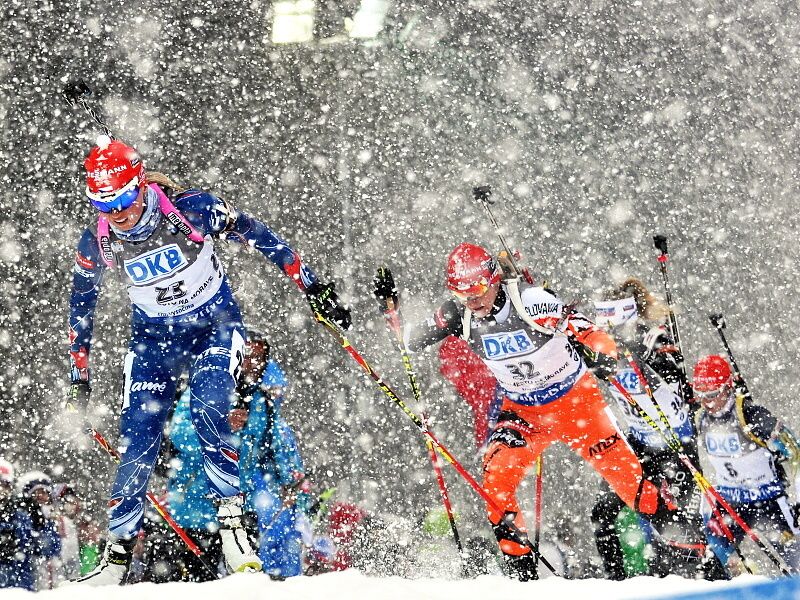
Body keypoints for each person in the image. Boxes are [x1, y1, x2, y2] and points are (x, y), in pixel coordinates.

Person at [65, 136, 350, 585]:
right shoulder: (98, 241)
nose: (116, 213)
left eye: (122, 199)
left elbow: (259, 235)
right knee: (138, 434)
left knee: (210, 406)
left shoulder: (193, 211)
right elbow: (81, 306)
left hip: (212, 329)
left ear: (140, 186)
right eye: (103, 204)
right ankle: (117, 551)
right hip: (154, 341)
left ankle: (235, 530)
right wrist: (78, 379)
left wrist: (313, 286)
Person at [374, 244, 678, 581]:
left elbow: (588, 330)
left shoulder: (529, 301)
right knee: (495, 484)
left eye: (476, 289)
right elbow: (411, 340)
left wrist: (604, 355)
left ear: (492, 279)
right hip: (524, 413)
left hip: (578, 406)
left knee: (635, 490)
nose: (471, 300)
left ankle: (691, 550)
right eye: (461, 293)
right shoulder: (457, 313)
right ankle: (523, 580)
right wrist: (392, 311)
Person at [591, 278, 725, 580]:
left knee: (680, 531)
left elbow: (670, 371)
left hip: (674, 447)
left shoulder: (653, 337)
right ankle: (616, 583)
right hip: (638, 446)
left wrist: (640, 354)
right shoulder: (603, 344)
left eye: (611, 320)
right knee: (603, 513)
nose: (606, 327)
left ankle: (716, 580)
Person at [692, 354, 800, 572]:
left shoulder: (750, 414)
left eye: (713, 395)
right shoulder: (700, 418)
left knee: (796, 560)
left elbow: (795, 452)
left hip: (768, 501)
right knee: (713, 562)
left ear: (728, 387)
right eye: (701, 395)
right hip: (731, 502)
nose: (707, 402)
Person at [14, 471, 62, 590]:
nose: (41, 496)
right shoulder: (21, 518)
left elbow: (55, 548)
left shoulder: (52, 519)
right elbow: (28, 545)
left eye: (44, 493)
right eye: (36, 493)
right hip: (27, 576)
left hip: (51, 576)